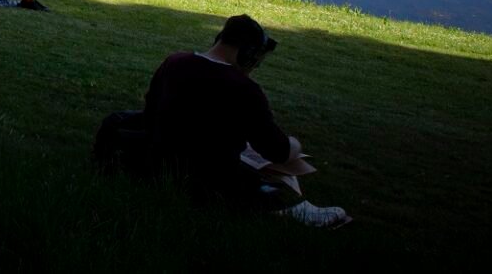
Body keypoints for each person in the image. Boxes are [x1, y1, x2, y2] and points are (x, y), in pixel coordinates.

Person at [137, 15, 349, 228]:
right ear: (249, 54)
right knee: (272, 187)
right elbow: (277, 151)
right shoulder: (244, 89)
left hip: (159, 167)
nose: (254, 67)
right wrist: (294, 145)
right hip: (211, 182)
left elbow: (149, 113)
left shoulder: (174, 62)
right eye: (256, 61)